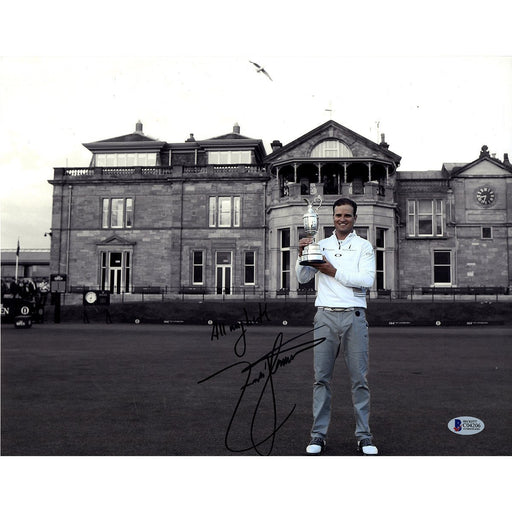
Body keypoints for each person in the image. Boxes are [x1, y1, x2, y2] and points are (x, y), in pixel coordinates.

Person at [296, 197, 378, 455]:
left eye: (348, 216)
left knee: (359, 381)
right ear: (332, 218)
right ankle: (318, 435)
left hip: (354, 316)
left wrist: (332, 271)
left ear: (355, 218)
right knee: (321, 379)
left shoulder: (364, 247)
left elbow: (365, 281)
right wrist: (302, 255)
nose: (342, 219)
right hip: (325, 317)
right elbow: (303, 278)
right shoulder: (320, 245)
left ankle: (364, 436)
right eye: (338, 215)